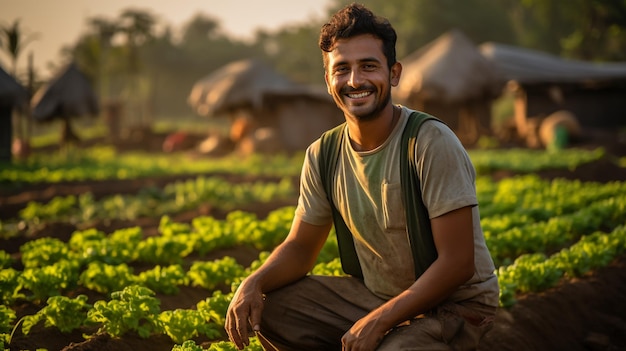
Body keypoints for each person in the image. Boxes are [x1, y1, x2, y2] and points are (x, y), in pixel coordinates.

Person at [225, 3, 499, 350]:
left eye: (368, 66)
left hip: (454, 306)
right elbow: (300, 247)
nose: (355, 81)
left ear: (393, 73)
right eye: (342, 69)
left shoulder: (428, 142)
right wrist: (254, 282)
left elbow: (458, 264)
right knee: (275, 308)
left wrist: (381, 320)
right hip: (377, 296)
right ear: (328, 81)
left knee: (394, 348)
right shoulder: (322, 155)